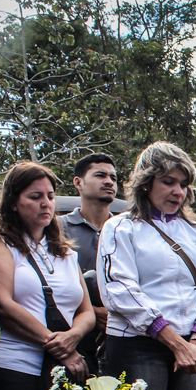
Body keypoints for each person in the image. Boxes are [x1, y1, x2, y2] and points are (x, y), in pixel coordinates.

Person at [98, 142, 196, 390]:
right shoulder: (121, 227)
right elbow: (119, 289)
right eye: (168, 182)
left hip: (194, 348)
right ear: (146, 183)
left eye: (183, 184)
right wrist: (172, 340)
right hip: (138, 345)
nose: (178, 191)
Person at [0, 162, 94, 390]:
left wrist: (73, 336)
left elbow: (86, 311)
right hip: (13, 367)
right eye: (34, 196)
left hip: (57, 372)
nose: (45, 203)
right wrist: (60, 346)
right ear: (14, 202)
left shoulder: (65, 252)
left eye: (50, 195)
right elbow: (2, 303)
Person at [59, 152, 118, 374]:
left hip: (119, 337)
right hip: (72, 338)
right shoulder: (57, 228)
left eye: (113, 177)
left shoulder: (127, 229)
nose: (109, 182)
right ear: (78, 182)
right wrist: (92, 313)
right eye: (100, 175)